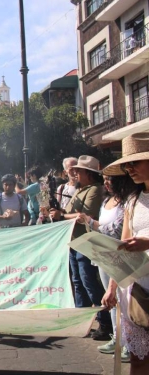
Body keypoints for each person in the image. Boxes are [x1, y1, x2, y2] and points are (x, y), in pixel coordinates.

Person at [102, 132, 149, 373]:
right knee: (139, 359)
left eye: (135, 162)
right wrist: (112, 287)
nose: (129, 168)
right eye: (126, 164)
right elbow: (122, 248)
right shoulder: (133, 201)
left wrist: (147, 243)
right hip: (136, 290)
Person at [50, 155, 111, 341]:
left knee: (89, 282)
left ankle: (105, 322)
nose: (75, 173)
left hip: (86, 241)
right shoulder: (80, 190)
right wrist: (58, 213)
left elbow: (86, 214)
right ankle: (80, 319)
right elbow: (70, 212)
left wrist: (62, 216)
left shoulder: (94, 190)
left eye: (79, 170)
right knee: (77, 281)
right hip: (74, 241)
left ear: (89, 174)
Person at [78, 174, 137, 361]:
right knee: (110, 299)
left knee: (125, 300)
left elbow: (118, 230)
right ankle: (117, 337)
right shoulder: (107, 200)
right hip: (104, 254)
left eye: (109, 179)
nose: (106, 182)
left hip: (122, 255)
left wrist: (91, 223)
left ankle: (129, 342)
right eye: (104, 178)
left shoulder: (127, 202)